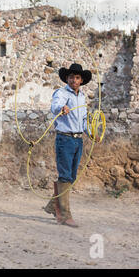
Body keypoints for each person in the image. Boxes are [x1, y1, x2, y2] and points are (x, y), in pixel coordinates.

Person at [43, 63, 95, 228]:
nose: (74, 80)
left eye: (77, 77)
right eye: (71, 77)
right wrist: (61, 108)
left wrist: (90, 132)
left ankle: (53, 205)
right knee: (65, 175)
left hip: (78, 139)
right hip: (65, 139)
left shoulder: (81, 97)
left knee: (71, 176)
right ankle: (64, 215)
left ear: (81, 80)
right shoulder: (62, 93)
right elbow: (55, 106)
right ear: (67, 78)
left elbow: (84, 119)